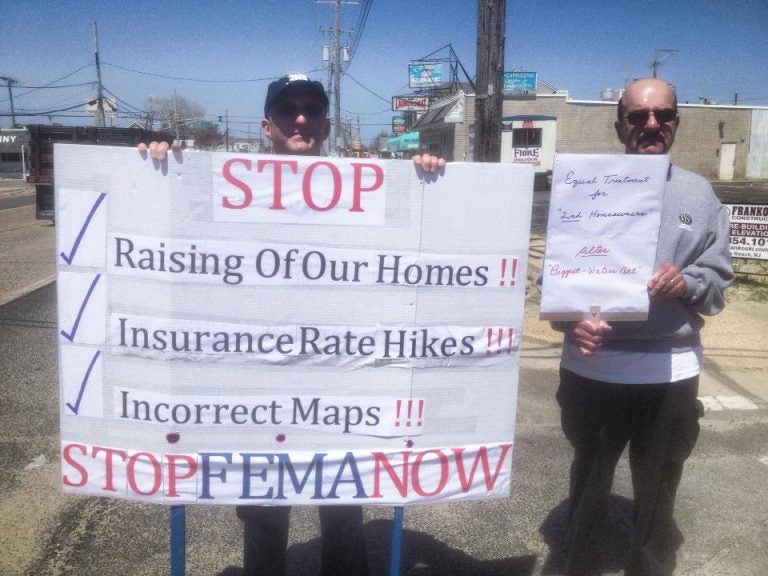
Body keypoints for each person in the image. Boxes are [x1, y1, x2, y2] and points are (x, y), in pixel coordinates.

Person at [141, 74, 369, 576]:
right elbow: (172, 234)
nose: (301, 118)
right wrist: (155, 166)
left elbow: (417, 243)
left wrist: (426, 173)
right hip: (258, 388)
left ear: (328, 124)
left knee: (345, 508)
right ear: (268, 124)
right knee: (265, 516)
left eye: (312, 108)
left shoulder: (369, 192)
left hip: (339, 385)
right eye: (289, 110)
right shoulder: (228, 188)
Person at [552, 77, 734, 576]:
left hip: (670, 373)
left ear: (676, 121)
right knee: (587, 488)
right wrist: (571, 323)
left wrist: (689, 282)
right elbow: (561, 279)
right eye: (638, 116)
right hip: (593, 371)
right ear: (619, 124)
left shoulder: (700, 195)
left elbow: (718, 283)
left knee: (657, 496)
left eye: (664, 115)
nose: (652, 125)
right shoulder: (582, 186)